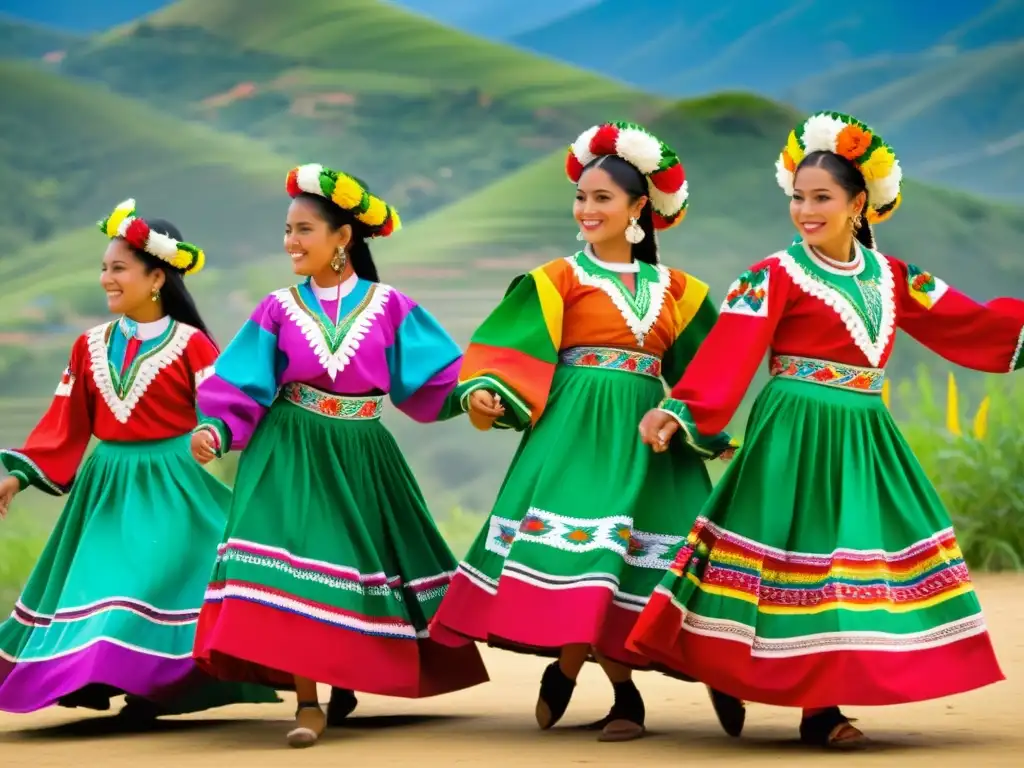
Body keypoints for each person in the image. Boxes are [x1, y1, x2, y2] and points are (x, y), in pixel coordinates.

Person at [627, 111, 1022, 749]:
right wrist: (682, 409)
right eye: (798, 198)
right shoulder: (774, 274)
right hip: (795, 435)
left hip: (865, 436)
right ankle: (806, 703)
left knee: (850, 562)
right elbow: (733, 348)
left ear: (857, 202)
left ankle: (820, 704)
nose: (806, 211)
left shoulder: (893, 278)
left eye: (822, 198)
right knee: (795, 560)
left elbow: (968, 321)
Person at [428, 121, 745, 742]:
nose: (587, 208)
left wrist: (686, 419)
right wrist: (489, 391)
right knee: (590, 561)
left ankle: (670, 670)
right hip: (571, 439)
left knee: (652, 565)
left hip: (647, 443)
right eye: (582, 197)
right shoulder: (557, 279)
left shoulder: (680, 291)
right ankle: (624, 696)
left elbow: (705, 375)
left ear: (639, 209)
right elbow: (508, 352)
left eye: (603, 198)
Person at [189, 163, 489, 748]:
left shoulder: (392, 306)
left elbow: (434, 379)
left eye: (303, 230)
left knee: (356, 569)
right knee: (302, 562)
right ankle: (308, 704)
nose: (291, 243)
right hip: (291, 452)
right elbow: (241, 382)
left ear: (342, 237)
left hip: (362, 453)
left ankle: (343, 676)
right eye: (287, 231)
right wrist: (217, 431)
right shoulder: (277, 308)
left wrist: (475, 395)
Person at [0, 200, 279, 719]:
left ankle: (143, 685)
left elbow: (224, 410)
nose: (106, 278)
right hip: (105, 489)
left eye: (118, 268)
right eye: (104, 267)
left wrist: (215, 436)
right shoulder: (88, 346)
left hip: (173, 486)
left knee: (144, 582)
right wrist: (18, 476)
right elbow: (65, 421)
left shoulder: (191, 345)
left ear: (156, 277)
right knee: (103, 581)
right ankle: (95, 676)